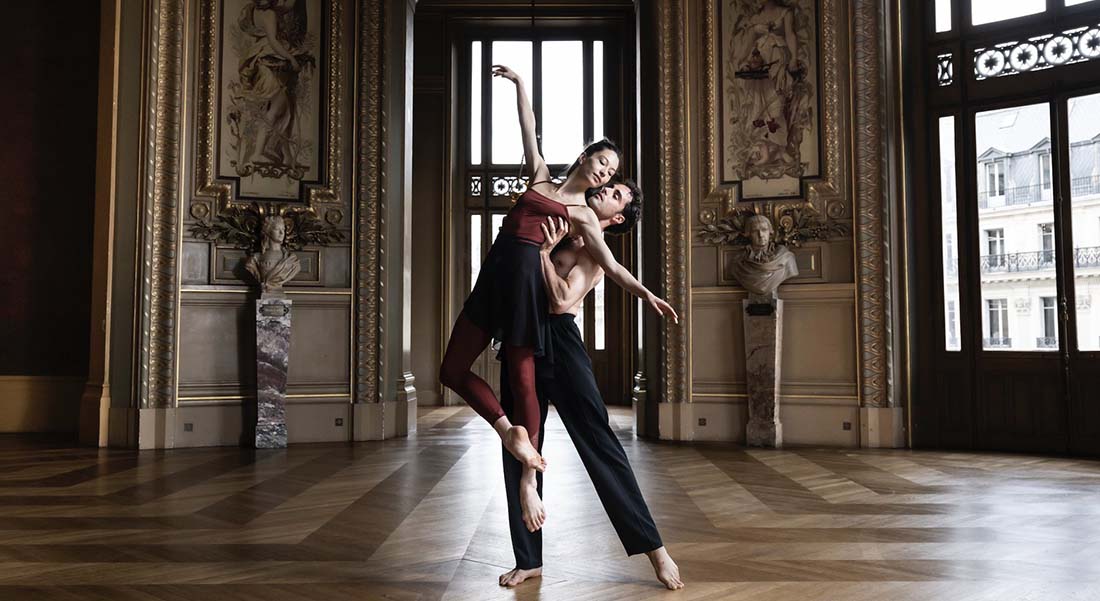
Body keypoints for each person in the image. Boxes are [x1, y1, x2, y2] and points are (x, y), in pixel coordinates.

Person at [439, 65, 679, 532]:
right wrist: (520, 85)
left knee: (526, 388)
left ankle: (529, 478)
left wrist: (646, 293)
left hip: (525, 296)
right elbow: (528, 126)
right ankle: (508, 431)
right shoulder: (541, 177)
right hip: (491, 282)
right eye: (603, 163)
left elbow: (611, 266)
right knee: (450, 371)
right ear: (587, 155)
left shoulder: (583, 218)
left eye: (611, 172)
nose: (605, 172)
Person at [496, 190, 684, 590]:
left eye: (616, 195)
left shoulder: (593, 252)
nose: (605, 190)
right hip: (522, 335)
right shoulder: (561, 230)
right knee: (519, 445)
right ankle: (528, 559)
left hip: (560, 342)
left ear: (616, 218)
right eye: (607, 184)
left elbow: (563, 300)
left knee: (599, 443)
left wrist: (544, 255)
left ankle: (655, 549)